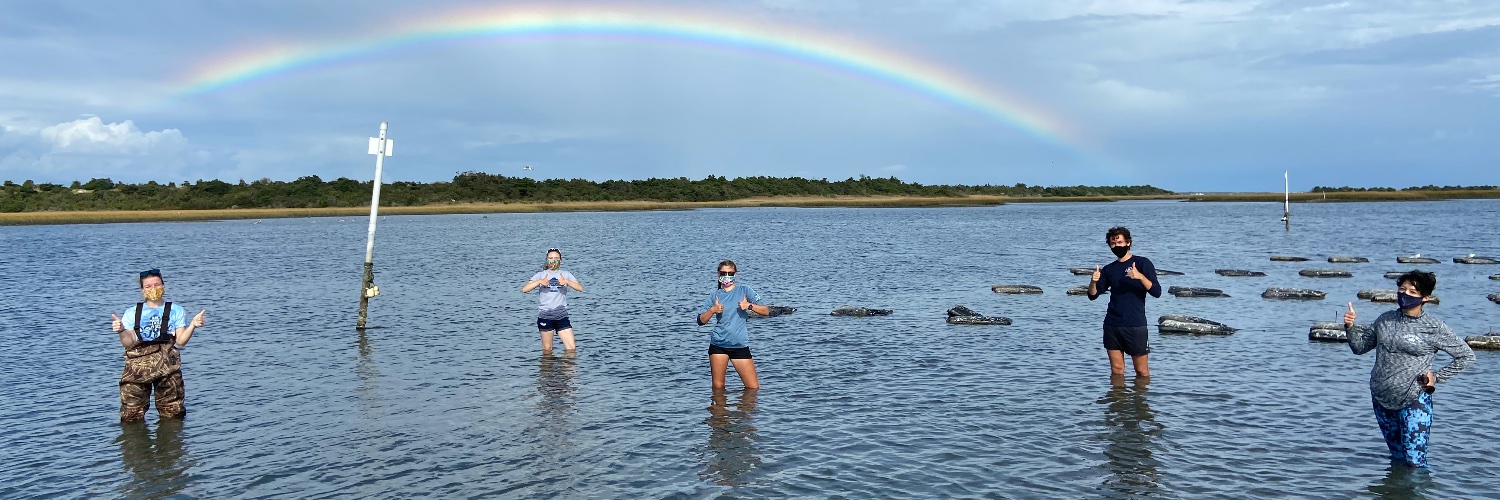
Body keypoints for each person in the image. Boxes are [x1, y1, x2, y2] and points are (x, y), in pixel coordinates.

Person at [1344, 270, 1474, 468]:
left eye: (1413, 292)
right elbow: (1359, 348)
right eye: (1402, 289)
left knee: (1415, 462)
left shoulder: (1434, 327)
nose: (1405, 295)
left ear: (1426, 297)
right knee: (1397, 458)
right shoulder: (1385, 320)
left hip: (1414, 398)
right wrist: (1350, 327)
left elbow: (1466, 356)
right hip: (1381, 397)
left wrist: (1436, 377)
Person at [109, 268, 207, 422]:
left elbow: (180, 341)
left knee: (173, 414)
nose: (153, 289)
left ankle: (170, 443)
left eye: (157, 285)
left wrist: (193, 325)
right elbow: (128, 343)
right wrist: (121, 330)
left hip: (168, 367)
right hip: (137, 369)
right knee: (131, 416)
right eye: (148, 286)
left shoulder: (176, 310)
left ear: (163, 286)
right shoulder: (132, 312)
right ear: (142, 291)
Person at [1088, 226, 1161, 378]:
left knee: (1142, 371)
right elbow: (1093, 295)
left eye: (1120, 242)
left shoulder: (1142, 263)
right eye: (1113, 244)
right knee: (1117, 370)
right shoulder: (1109, 269)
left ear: (1128, 243)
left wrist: (1140, 276)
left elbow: (1156, 292)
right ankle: (1117, 401)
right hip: (1112, 324)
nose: (1116, 246)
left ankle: (1140, 401)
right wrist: (1093, 282)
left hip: (1135, 324)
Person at [695, 260, 768, 390]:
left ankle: (743, 410)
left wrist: (749, 306)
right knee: (718, 388)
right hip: (718, 345)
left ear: (735, 274)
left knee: (753, 388)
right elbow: (701, 321)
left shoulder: (744, 290)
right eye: (724, 273)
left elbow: (766, 311)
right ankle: (719, 410)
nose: (727, 276)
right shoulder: (715, 295)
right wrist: (713, 310)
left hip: (739, 345)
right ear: (718, 274)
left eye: (730, 273)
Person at [522, 248, 584, 353]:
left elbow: (580, 288)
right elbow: (525, 289)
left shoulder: (566, 274)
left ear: (560, 260)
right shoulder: (540, 275)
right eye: (551, 258)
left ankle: (567, 368)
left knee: (571, 349)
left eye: (556, 258)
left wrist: (567, 282)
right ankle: (547, 369)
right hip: (545, 316)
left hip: (561, 315)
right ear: (547, 260)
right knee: (547, 350)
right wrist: (539, 282)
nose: (553, 261)